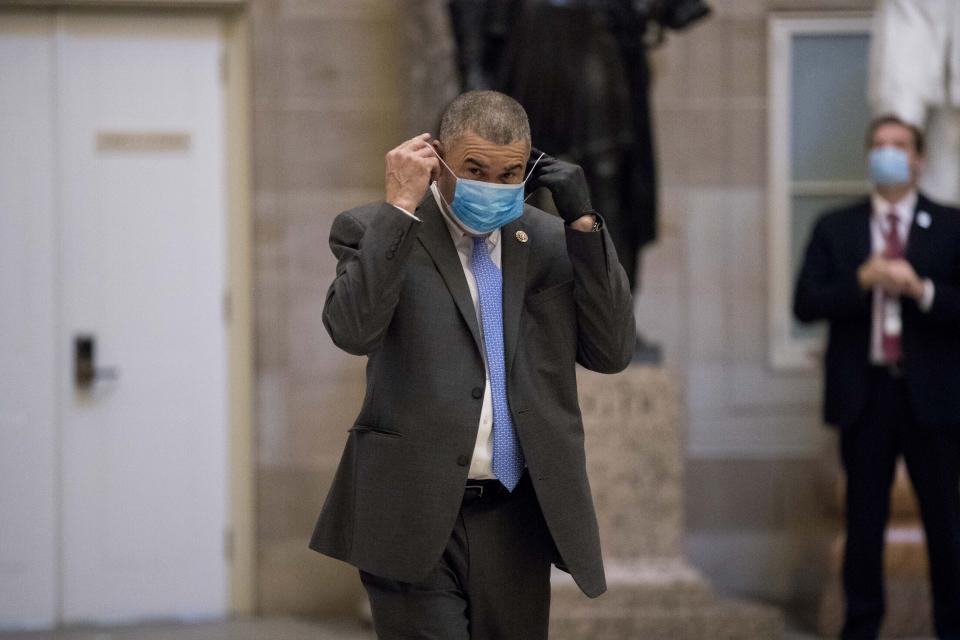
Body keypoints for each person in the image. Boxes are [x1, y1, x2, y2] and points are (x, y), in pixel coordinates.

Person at [309, 90, 635, 639]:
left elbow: (611, 350)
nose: (494, 186)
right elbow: (352, 329)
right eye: (475, 169)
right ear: (438, 159)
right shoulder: (374, 229)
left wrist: (583, 222)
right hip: (412, 506)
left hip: (516, 515)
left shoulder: (553, 242)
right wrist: (399, 206)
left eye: (511, 173)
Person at [794, 115, 960, 639]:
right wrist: (860, 279)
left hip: (932, 399)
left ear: (919, 159)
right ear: (868, 156)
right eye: (880, 145)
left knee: (947, 525)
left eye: (900, 146)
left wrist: (922, 289)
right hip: (864, 397)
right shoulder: (836, 227)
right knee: (863, 525)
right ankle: (861, 629)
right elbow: (805, 302)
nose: (889, 154)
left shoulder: (952, 225)